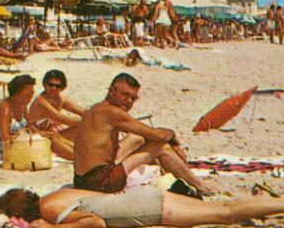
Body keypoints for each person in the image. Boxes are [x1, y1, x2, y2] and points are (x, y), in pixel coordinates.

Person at [72, 72, 208, 194]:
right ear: (112, 91)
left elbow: (143, 133)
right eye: (125, 95)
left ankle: (169, 174)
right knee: (160, 147)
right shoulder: (114, 113)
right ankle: (202, 187)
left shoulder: (97, 108)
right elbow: (158, 135)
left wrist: (163, 139)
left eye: (133, 98)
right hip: (100, 182)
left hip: (80, 179)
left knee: (136, 137)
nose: (129, 101)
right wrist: (172, 135)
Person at [0, 186, 284, 228]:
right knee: (224, 207)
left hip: (147, 209)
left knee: (225, 215)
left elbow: (96, 222)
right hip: (145, 195)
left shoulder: (50, 213)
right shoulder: (58, 193)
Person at [27, 70, 86, 160]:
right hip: (35, 137)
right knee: (54, 139)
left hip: (50, 134)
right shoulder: (41, 102)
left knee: (81, 127)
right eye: (51, 85)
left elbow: (85, 112)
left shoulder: (60, 99)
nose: (54, 88)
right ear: (45, 84)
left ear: (63, 88)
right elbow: (66, 120)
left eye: (58, 86)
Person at [0, 74, 36, 160]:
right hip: (4, 152)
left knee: (53, 139)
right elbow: (5, 139)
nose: (31, 97)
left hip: (19, 144)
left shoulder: (22, 106)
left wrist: (40, 133)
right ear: (16, 93)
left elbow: (30, 126)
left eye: (32, 94)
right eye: (28, 94)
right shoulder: (4, 109)